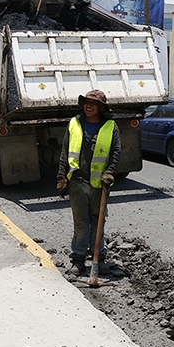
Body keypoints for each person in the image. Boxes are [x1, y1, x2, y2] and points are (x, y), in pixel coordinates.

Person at [57, 90, 121, 276]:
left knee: (98, 222)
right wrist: (61, 177)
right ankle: (78, 260)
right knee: (80, 222)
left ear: (100, 107)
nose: (88, 106)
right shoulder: (74, 123)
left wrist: (109, 172)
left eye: (93, 103)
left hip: (99, 185)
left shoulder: (110, 126)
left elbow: (116, 152)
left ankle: (98, 259)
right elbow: (65, 152)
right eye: (86, 102)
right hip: (77, 182)